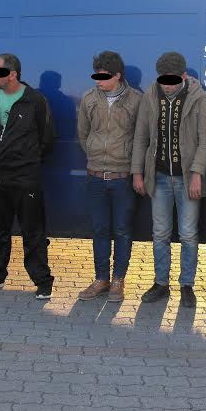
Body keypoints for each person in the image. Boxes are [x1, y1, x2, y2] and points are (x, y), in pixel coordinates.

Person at [131, 52, 206, 308]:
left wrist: (197, 174)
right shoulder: (150, 96)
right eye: (163, 80)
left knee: (188, 234)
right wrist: (137, 172)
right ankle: (161, 284)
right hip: (159, 177)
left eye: (172, 81)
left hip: (187, 178)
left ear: (184, 76)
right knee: (160, 233)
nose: (167, 86)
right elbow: (141, 137)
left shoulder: (198, 98)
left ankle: (187, 285)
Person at [0, 53, 55, 299]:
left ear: (12, 74)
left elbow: (47, 138)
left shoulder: (35, 100)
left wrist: (29, 160)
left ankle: (43, 281)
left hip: (25, 175)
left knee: (33, 231)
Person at [76, 51, 142, 302]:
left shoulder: (136, 100)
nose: (98, 81)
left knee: (123, 230)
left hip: (123, 177)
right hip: (95, 176)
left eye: (104, 77)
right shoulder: (88, 98)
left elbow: (142, 139)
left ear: (118, 75)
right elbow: (83, 134)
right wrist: (95, 155)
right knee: (100, 229)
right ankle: (101, 279)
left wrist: (134, 170)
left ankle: (118, 281)